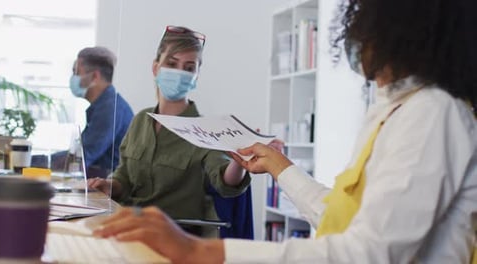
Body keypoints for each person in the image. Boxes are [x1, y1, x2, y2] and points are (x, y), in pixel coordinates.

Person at [92, 0, 477, 263]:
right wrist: (280, 167)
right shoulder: (394, 111)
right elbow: (341, 215)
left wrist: (202, 252)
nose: (356, 36)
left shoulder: (432, 112)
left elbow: (368, 254)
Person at [88, 26, 251, 237]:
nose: (179, 73)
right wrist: (110, 185)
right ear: (156, 68)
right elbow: (125, 176)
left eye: (189, 67)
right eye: (172, 64)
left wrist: (240, 161)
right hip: (127, 224)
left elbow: (226, 182)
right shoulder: (141, 119)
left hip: (173, 235)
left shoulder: (204, 130)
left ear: (196, 76)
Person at [52, 47, 134, 178]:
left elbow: (82, 157)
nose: (73, 78)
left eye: (76, 72)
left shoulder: (109, 109)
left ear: (95, 76)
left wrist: (37, 162)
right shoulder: (105, 106)